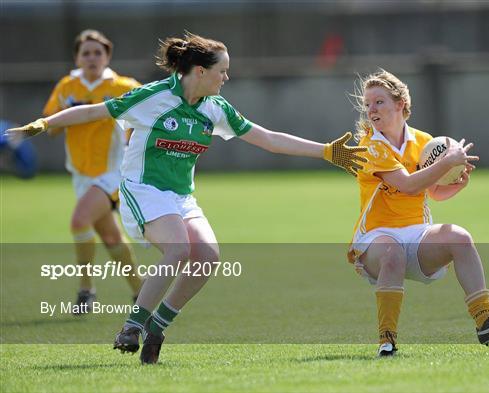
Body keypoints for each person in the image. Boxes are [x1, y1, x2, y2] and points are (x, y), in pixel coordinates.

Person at [8, 32, 367, 364]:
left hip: (181, 197)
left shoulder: (215, 108)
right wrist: (46, 123)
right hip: (142, 189)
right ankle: (132, 326)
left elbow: (268, 138)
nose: (226, 78)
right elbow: (94, 111)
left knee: (208, 256)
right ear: (200, 70)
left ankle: (157, 326)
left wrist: (325, 152)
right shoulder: (153, 97)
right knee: (178, 248)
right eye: (222, 71)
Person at [347, 70, 489, 357]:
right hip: (376, 239)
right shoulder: (370, 146)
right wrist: (448, 161)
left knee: (460, 238)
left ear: (400, 103)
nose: (371, 110)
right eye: (367, 104)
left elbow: (432, 192)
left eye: (379, 102)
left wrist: (456, 183)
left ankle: (485, 319)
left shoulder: (423, 140)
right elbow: (409, 184)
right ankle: (386, 341)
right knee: (392, 253)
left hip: (416, 234)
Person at [42, 29, 143, 313]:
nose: (92, 58)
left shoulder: (123, 86)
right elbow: (51, 127)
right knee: (110, 236)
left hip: (114, 172)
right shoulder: (66, 87)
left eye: (98, 52)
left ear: (107, 56)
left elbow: (148, 115)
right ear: (76, 57)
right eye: (85, 53)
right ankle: (141, 291)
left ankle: (86, 290)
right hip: (81, 175)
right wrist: (56, 120)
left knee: (78, 221)